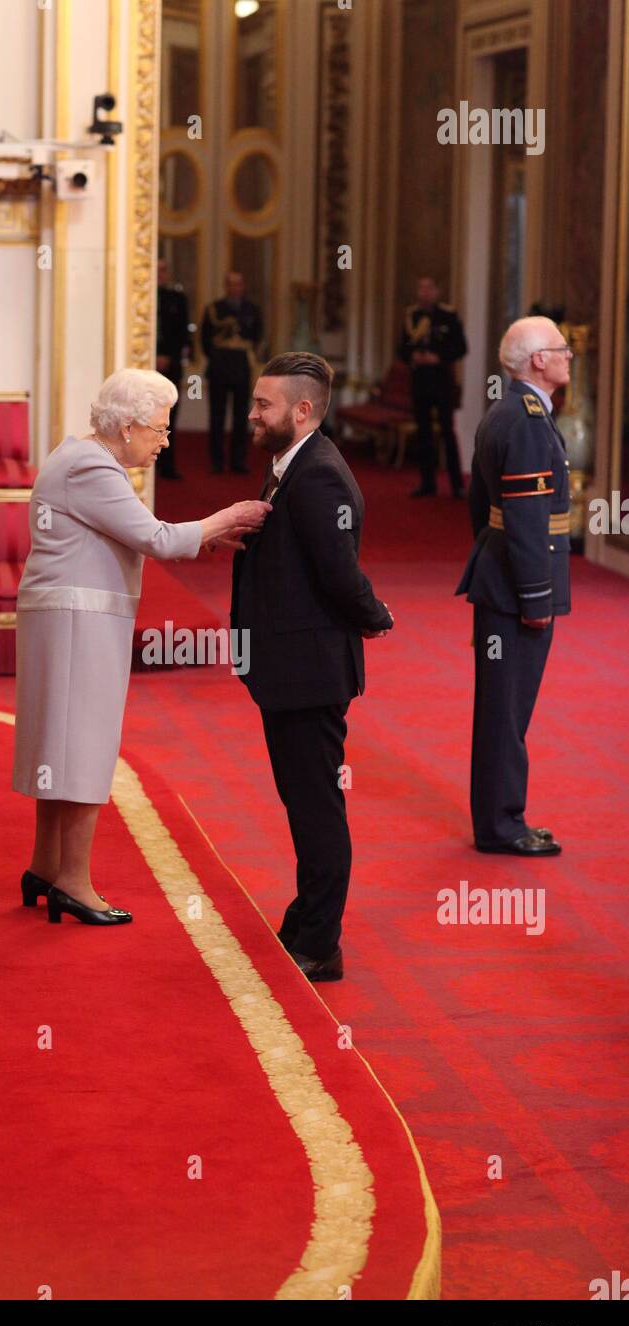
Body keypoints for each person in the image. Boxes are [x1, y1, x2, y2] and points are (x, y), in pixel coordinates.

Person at [13, 368, 270, 926]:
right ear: (126, 426)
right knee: (81, 746)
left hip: (67, 617)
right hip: (78, 621)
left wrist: (203, 536)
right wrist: (225, 517)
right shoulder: (92, 467)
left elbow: (133, 536)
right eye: (158, 430)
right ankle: (74, 884)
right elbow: (154, 538)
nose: (164, 441)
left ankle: (47, 866)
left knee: (60, 746)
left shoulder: (79, 457)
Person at [231, 352, 394, 982]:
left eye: (263, 405)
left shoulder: (320, 475)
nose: (252, 415)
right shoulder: (290, 464)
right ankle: (306, 914)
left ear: (303, 411)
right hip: (288, 668)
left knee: (317, 806)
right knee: (302, 800)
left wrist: (375, 613)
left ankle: (321, 943)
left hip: (309, 673)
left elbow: (338, 574)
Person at [456, 317, 572, 855]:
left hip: (499, 578)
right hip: (516, 588)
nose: (569, 355)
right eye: (561, 349)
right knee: (506, 711)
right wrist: (536, 596)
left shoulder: (506, 411)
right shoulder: (525, 420)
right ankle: (502, 825)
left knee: (503, 708)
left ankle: (500, 817)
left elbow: (482, 508)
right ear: (538, 361)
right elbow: (525, 518)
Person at [398, 276, 467, 498]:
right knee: (424, 433)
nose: (425, 292)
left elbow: (460, 347)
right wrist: (414, 356)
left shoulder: (448, 315)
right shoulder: (412, 316)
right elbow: (401, 348)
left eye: (429, 288)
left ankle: (457, 484)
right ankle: (427, 482)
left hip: (441, 381)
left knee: (447, 431)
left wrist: (438, 358)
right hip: (420, 381)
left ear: (437, 291)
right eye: (421, 288)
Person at [201, 271, 263, 475]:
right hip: (219, 366)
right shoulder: (214, 309)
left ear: (243, 286)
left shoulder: (252, 309)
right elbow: (205, 341)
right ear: (225, 286)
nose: (234, 288)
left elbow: (257, 337)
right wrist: (218, 357)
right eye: (230, 284)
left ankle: (238, 461)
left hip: (242, 368)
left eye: (238, 284)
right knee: (217, 416)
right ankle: (216, 461)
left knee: (240, 417)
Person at [155, 258, 190, 480]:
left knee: (169, 416)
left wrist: (167, 356)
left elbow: (182, 333)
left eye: (164, 270)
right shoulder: (139, 295)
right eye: (157, 269)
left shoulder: (178, 299)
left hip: (171, 366)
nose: (161, 274)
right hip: (145, 365)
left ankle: (166, 465)